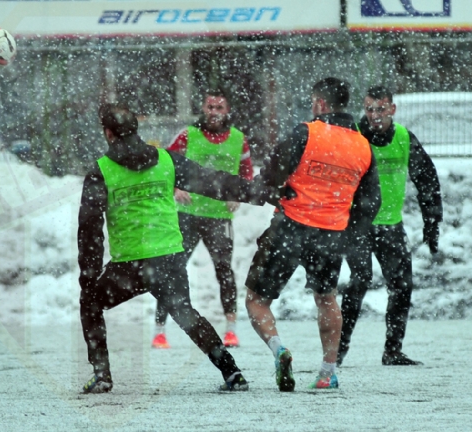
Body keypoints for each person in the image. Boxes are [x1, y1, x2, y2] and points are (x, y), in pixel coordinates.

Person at [77, 103, 277, 394]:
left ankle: (102, 374)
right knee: (186, 313)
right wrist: (260, 193)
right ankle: (232, 373)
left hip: (128, 265)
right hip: (168, 259)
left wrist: (89, 274)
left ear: (108, 134)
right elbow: (214, 182)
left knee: (91, 302)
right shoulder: (166, 160)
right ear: (136, 129)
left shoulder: (101, 171)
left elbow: (90, 231)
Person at [244, 77, 381, 391]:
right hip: (331, 233)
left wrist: (270, 189)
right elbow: (371, 201)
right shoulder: (364, 146)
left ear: (320, 103)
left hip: (290, 226)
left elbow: (271, 174)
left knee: (256, 300)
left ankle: (279, 349)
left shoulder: (306, 133)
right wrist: (349, 232)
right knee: (327, 298)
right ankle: (327, 371)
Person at [337, 86, 443, 367]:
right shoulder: (354, 137)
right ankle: (338, 351)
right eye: (369, 109)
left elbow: (428, 182)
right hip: (357, 224)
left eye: (381, 109)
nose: (374, 115)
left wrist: (432, 222)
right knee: (359, 282)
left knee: (402, 286)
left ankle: (393, 351)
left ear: (392, 109)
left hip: (391, 226)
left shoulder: (405, 139)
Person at [152, 88, 255, 350]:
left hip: (218, 216)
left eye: (219, 108)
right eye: (210, 107)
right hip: (187, 214)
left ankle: (231, 330)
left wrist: (239, 194)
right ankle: (159, 331)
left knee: (224, 271)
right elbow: (165, 163)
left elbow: (246, 173)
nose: (214, 112)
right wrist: (176, 188)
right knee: (172, 269)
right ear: (203, 108)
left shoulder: (238, 140)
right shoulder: (189, 135)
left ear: (227, 111)